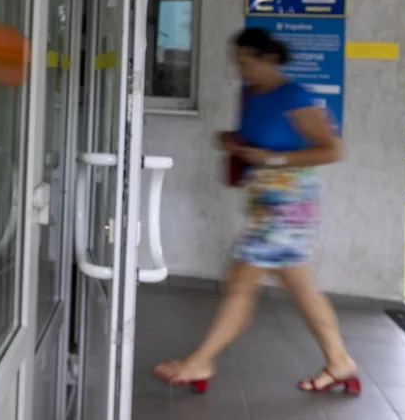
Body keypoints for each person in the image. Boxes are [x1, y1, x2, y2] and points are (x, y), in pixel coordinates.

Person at [153, 27, 360, 396]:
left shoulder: (293, 95)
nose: (241, 71)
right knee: (298, 286)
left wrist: (272, 158)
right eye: (237, 64)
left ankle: (201, 360)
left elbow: (332, 150)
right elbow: (255, 136)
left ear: (267, 58)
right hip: (265, 201)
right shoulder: (249, 93)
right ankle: (339, 361)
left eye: (246, 63)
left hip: (290, 202)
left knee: (241, 282)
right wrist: (233, 142)